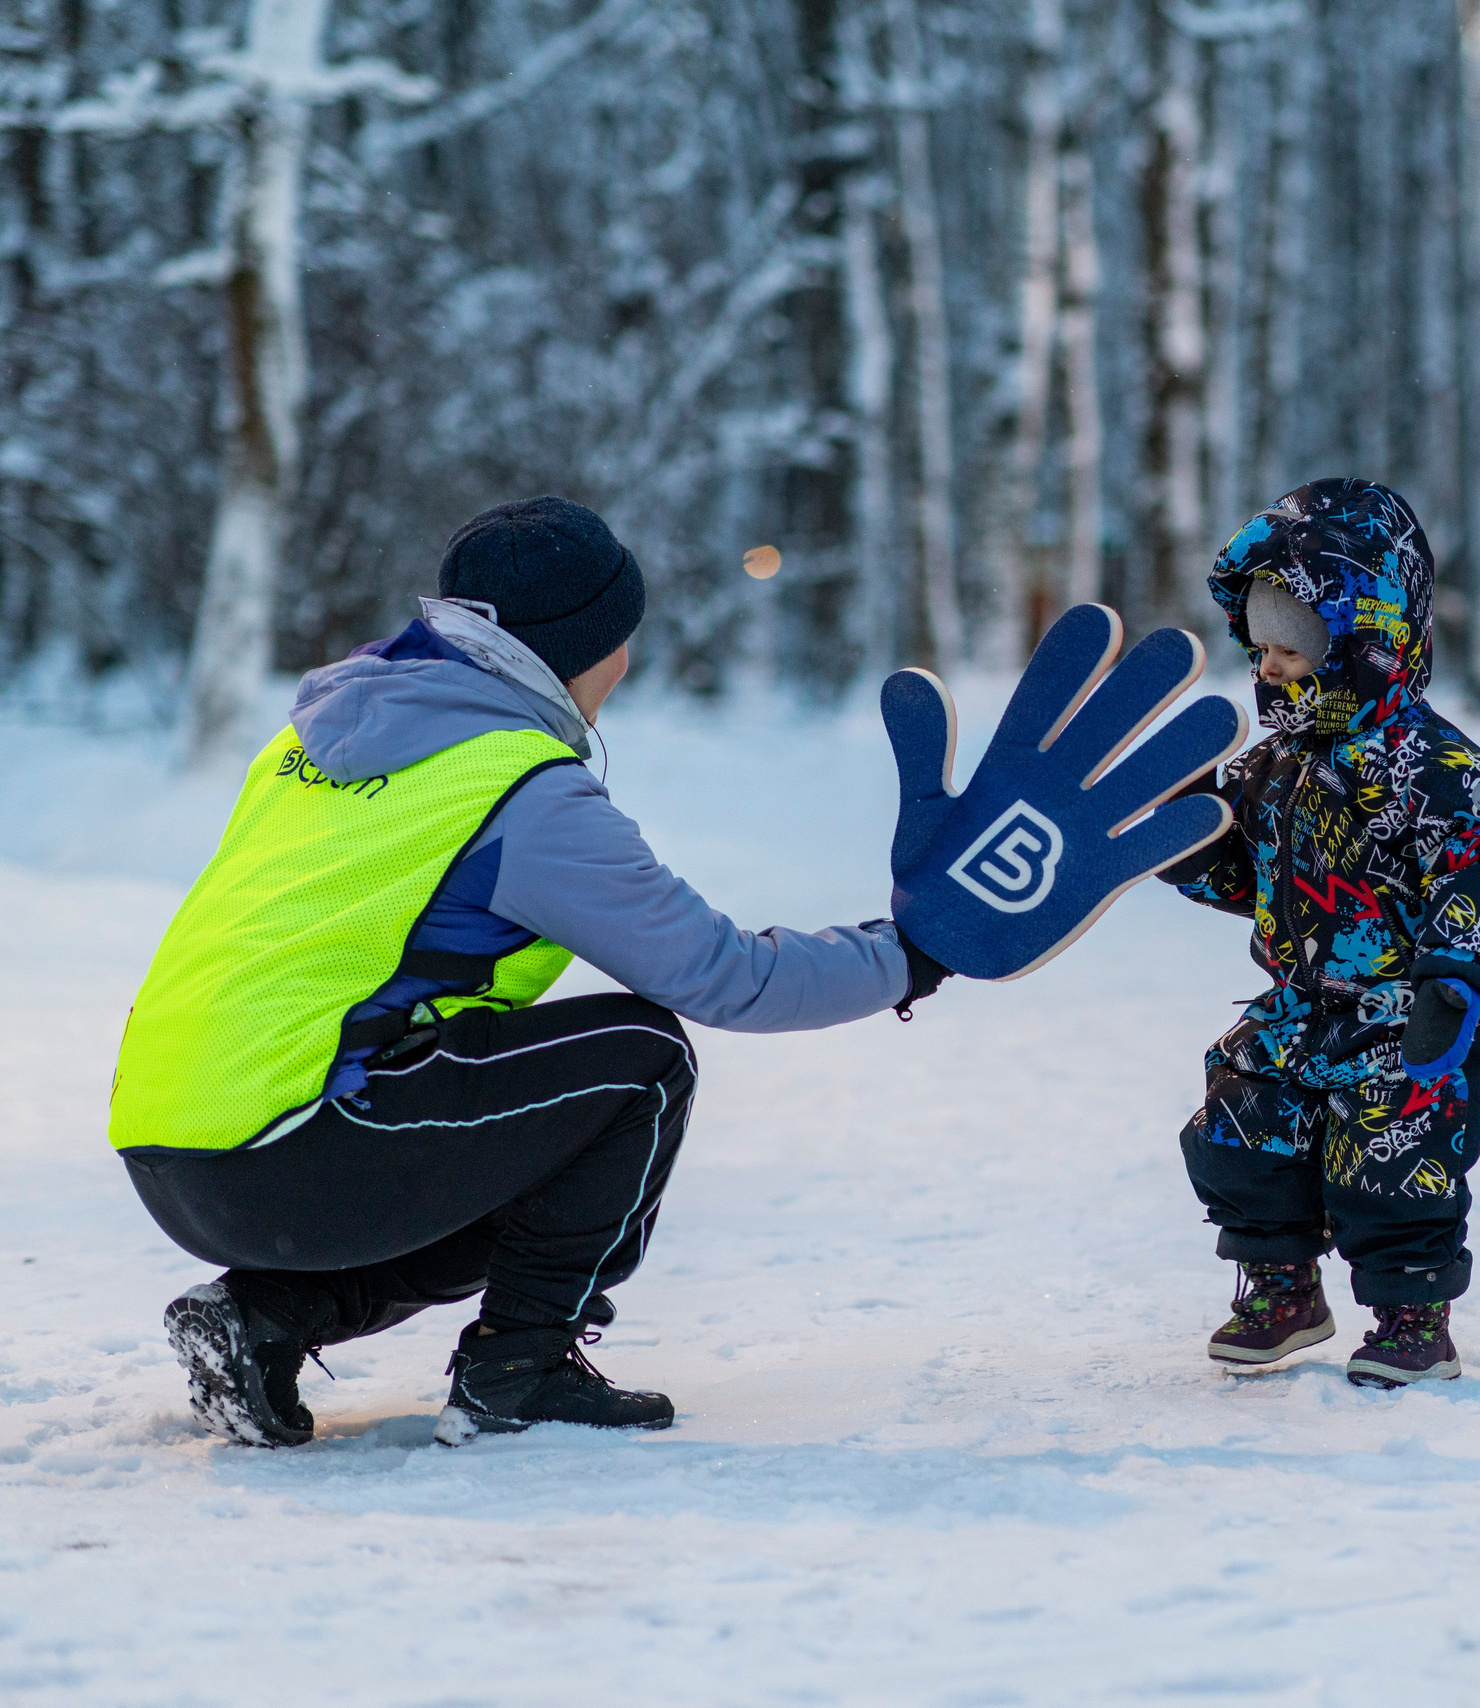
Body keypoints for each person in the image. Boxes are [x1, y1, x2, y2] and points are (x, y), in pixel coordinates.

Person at [115, 496, 950, 1447]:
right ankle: (522, 1367)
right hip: (294, 1150)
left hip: (175, 1154)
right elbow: (725, 977)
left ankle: (265, 1318)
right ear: (589, 643)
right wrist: (909, 957)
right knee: (636, 1056)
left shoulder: (317, 740)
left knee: (513, 1126)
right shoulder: (516, 786)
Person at [1158, 479, 1480, 1387]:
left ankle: (1414, 1314)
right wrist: (1181, 840)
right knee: (1238, 1129)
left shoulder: (1441, 770)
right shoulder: (1275, 764)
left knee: (1392, 1159)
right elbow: (1249, 876)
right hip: (1299, 1005)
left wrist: (1456, 975)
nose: (1271, 670)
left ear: (1366, 641)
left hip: (1412, 1014)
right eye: (1261, 650)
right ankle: (1281, 1289)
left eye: (1295, 649)